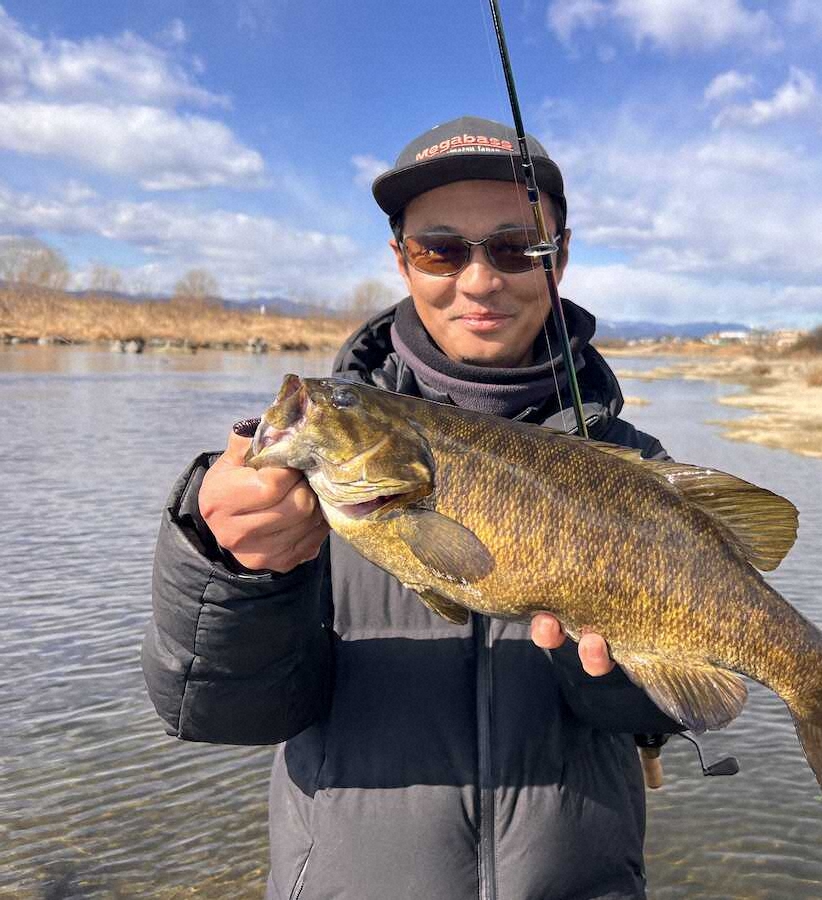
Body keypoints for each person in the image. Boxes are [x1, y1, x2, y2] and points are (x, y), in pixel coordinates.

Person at [141, 115, 683, 900]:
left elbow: (675, 712)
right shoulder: (295, 480)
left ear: (558, 258)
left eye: (514, 247)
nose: (479, 280)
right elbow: (224, 713)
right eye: (440, 249)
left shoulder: (639, 468)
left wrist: (611, 673)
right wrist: (227, 569)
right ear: (401, 259)